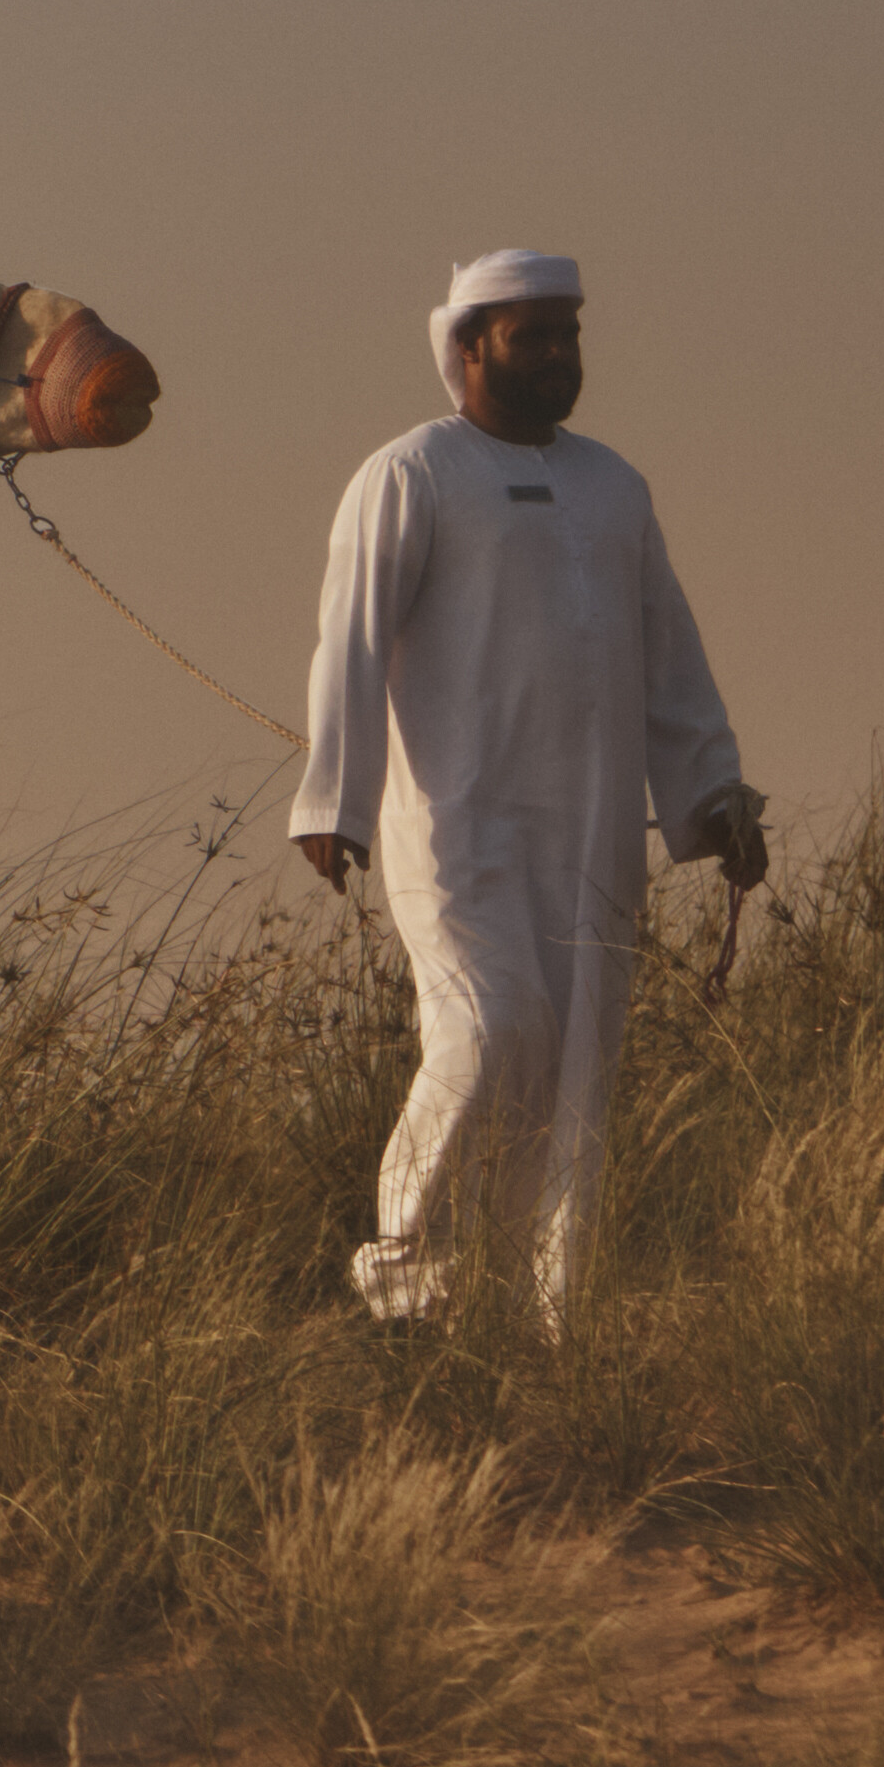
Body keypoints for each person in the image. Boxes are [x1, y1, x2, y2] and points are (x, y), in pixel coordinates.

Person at [290, 246, 765, 1325]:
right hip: (456, 825)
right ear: (468, 347)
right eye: (531, 335)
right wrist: (334, 802)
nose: (557, 354)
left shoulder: (613, 484)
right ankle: (405, 1283)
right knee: (488, 1027)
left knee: (573, 1064)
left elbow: (669, 653)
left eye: (569, 334)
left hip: (593, 832)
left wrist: (715, 795)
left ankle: (543, 1314)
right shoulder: (410, 472)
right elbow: (349, 642)